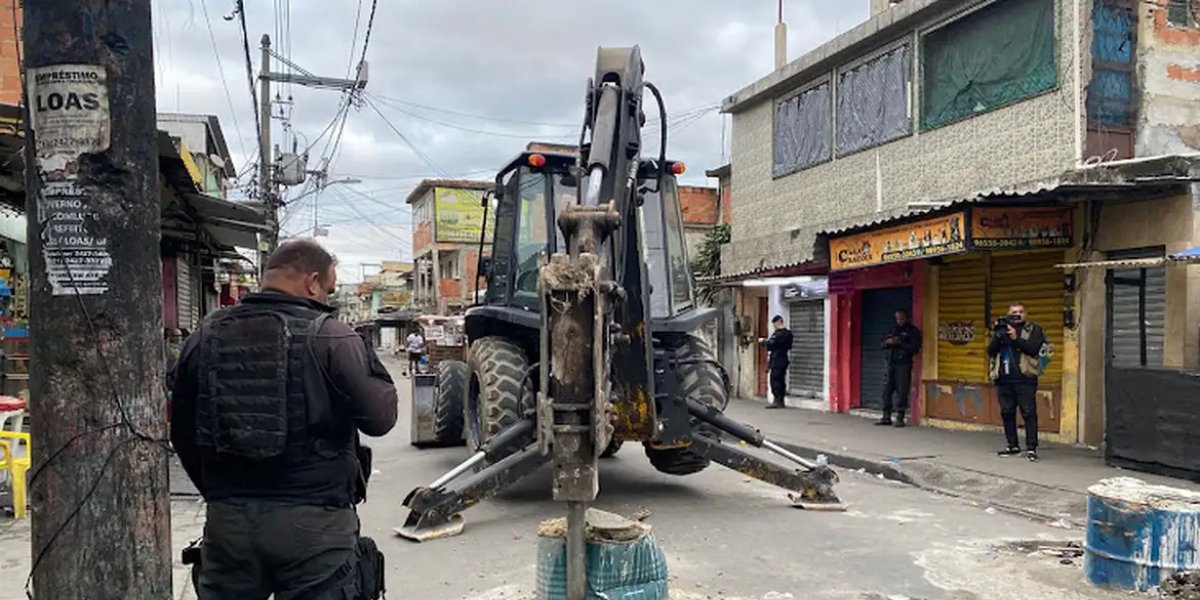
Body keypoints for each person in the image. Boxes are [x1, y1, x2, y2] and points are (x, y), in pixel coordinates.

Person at [170, 239, 398, 599]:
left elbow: (182, 433)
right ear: (312, 282)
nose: (328, 299)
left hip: (230, 525)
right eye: (329, 289)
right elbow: (381, 418)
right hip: (315, 529)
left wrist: (224, 495)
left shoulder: (204, 336)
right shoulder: (331, 336)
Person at [986, 301, 1047, 462]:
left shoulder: (1033, 330)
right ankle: (1012, 445)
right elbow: (990, 351)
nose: (1016, 314)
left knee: (1028, 413)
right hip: (1004, 379)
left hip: (1025, 379)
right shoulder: (1002, 329)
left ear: (1025, 314)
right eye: (1013, 312)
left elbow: (1033, 348)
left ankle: (1031, 448)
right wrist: (998, 336)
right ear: (1008, 314)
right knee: (1007, 412)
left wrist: (1015, 338)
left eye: (1020, 312)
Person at [877, 309, 921, 428]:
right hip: (890, 363)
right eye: (897, 318)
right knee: (886, 391)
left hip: (903, 364)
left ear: (907, 318)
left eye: (902, 318)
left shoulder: (912, 331)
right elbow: (881, 344)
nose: (899, 321)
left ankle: (900, 417)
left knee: (902, 391)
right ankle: (886, 416)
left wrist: (900, 343)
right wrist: (888, 342)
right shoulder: (892, 329)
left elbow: (915, 348)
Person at [759, 315, 793, 409]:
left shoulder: (779, 334)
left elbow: (771, 345)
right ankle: (780, 400)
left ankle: (777, 400)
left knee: (775, 380)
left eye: (774, 324)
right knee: (781, 380)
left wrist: (764, 342)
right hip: (783, 358)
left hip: (777, 359)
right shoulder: (788, 334)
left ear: (778, 322)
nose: (774, 326)